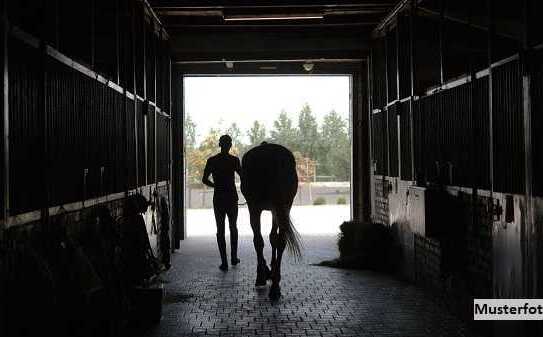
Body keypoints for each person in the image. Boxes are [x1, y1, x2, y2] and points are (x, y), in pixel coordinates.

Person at [202, 135, 242, 271]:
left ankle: (224, 262)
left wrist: (216, 186)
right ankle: (234, 258)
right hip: (231, 197)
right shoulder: (234, 161)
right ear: (230, 145)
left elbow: (204, 180)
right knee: (233, 227)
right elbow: (243, 176)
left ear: (220, 144)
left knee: (220, 230)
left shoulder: (212, 161)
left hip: (219, 198)